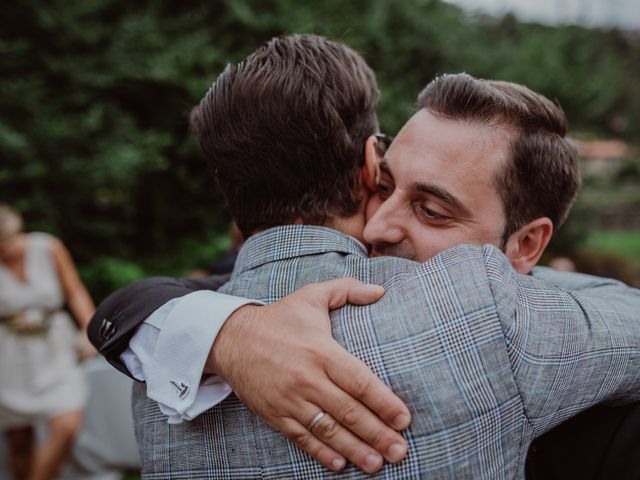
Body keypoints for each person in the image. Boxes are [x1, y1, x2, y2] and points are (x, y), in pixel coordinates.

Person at [89, 35, 640, 478]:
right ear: (367, 162)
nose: (378, 224)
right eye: (385, 184)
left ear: (525, 246)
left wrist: (210, 329)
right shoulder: (500, 325)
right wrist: (227, 333)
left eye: (431, 210)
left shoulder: (161, 381)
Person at [0, 205, 96, 480]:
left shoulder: (48, 247)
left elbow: (75, 292)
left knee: (68, 424)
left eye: (7, 245)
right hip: (8, 355)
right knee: (19, 440)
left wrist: (89, 330)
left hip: (56, 347)